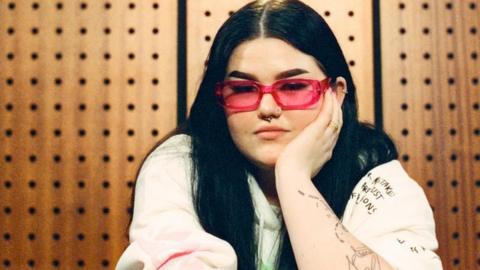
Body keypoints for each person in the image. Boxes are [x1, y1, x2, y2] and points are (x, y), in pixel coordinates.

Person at [115, 0, 442, 269]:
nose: (268, 107)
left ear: (336, 94)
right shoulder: (180, 166)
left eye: (294, 86)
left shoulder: (375, 178)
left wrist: (293, 178)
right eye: (243, 89)